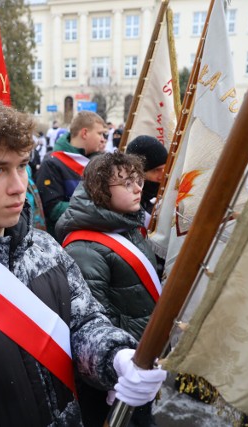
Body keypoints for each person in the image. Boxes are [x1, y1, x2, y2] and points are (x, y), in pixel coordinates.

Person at [0, 100, 165, 426]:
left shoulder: (45, 247)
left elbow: (83, 324)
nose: (19, 186)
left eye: (22, 165)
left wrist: (115, 357)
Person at [56, 152, 160, 426]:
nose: (138, 188)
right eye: (126, 183)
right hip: (118, 371)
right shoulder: (84, 249)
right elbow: (96, 318)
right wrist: (115, 372)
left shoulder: (125, 225)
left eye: (138, 180)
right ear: (101, 191)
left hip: (140, 356)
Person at [36, 111, 107, 236]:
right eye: (100, 133)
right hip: (66, 240)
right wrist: (99, 209)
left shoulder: (101, 161)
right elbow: (53, 209)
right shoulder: (52, 163)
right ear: (84, 133)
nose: (103, 139)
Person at [126, 135, 169, 215]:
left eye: (165, 169)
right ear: (138, 173)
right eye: (156, 170)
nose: (162, 176)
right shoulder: (127, 208)